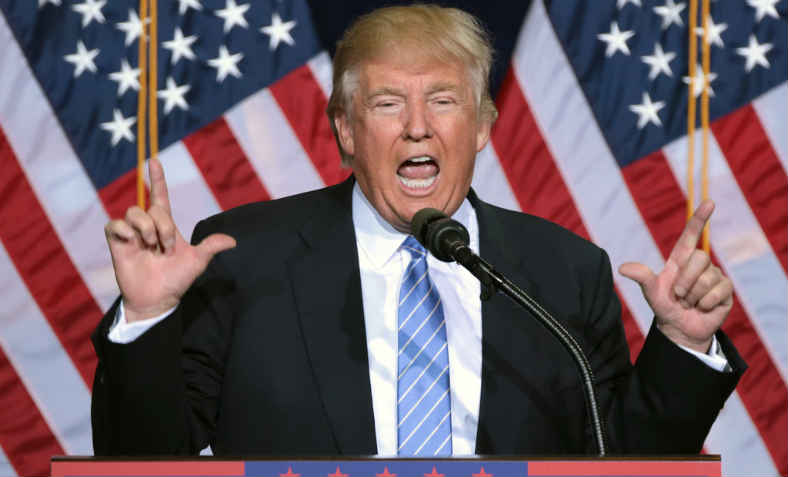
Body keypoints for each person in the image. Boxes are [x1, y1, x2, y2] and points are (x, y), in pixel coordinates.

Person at [92, 4, 744, 457]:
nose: (417, 127)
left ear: (483, 123)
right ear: (346, 130)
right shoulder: (243, 258)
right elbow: (141, 457)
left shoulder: (564, 270)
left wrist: (683, 344)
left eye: (442, 99)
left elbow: (621, 462)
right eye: (386, 103)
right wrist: (147, 317)